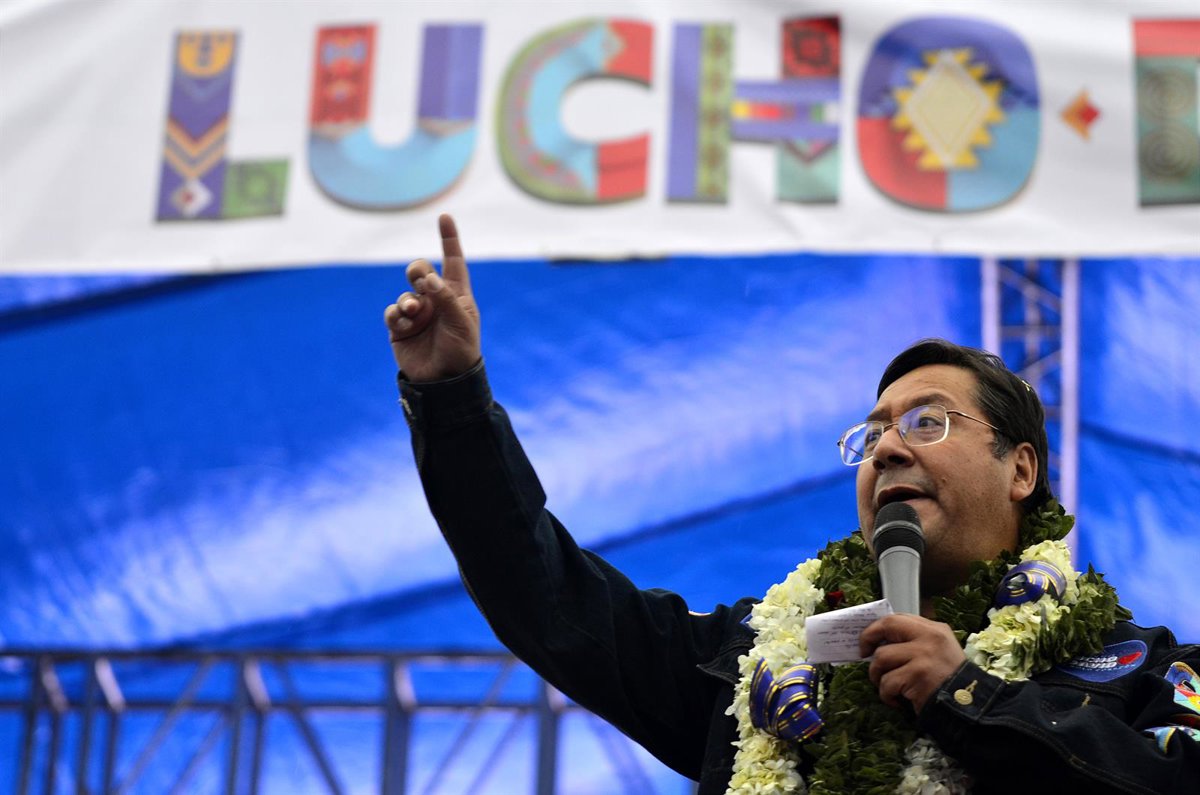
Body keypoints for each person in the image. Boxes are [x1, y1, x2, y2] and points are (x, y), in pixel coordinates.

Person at [385, 215, 1200, 794]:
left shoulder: (1148, 672)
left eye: (927, 421)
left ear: (1020, 469)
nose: (887, 448)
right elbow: (543, 594)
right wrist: (452, 398)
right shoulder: (757, 659)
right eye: (872, 434)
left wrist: (967, 695)